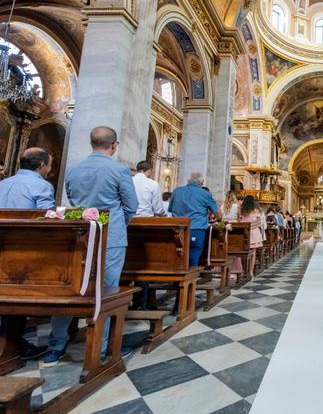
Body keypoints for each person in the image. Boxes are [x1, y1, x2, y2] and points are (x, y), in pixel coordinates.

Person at [44, 126, 139, 367]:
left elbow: (72, 200)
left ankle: (56, 346)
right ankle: (101, 346)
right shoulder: (119, 170)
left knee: (72, 285)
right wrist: (116, 224)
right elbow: (131, 205)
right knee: (105, 289)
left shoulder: (73, 169)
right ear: (114, 145)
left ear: (91, 143)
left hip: (79, 234)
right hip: (111, 238)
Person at [0, 147, 54, 360]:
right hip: (25, 250)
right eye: (49, 165)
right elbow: (47, 222)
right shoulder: (41, 186)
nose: (50, 169)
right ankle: (14, 343)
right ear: (41, 165)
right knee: (21, 296)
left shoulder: (3, 183)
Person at [131, 161, 165, 310]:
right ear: (149, 170)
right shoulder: (152, 184)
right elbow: (158, 208)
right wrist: (164, 216)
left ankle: (123, 300)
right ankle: (141, 303)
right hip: (145, 225)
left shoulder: (128, 181)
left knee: (128, 262)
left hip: (127, 224)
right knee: (145, 264)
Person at [169, 172, 219, 267]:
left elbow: (170, 209)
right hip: (196, 228)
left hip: (177, 229)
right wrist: (219, 219)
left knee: (178, 252)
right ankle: (191, 276)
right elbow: (217, 213)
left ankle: (178, 274)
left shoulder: (176, 191)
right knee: (194, 252)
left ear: (188, 180)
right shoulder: (205, 193)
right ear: (202, 182)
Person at [239, 195, 262, 279]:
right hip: (254, 232)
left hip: (244, 231)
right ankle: (250, 271)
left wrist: (247, 227)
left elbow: (240, 221)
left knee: (243, 253)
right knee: (253, 253)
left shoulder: (242, 211)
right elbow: (259, 223)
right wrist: (251, 227)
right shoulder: (255, 210)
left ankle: (244, 271)